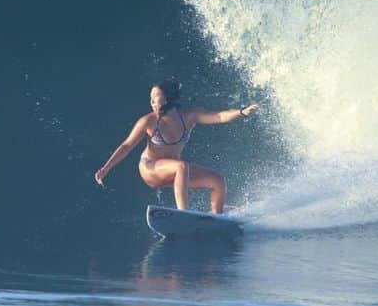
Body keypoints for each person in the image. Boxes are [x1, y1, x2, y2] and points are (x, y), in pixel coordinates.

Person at [94, 80, 258, 213]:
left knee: (217, 180)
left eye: (155, 96)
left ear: (168, 98)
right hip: (150, 169)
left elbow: (219, 116)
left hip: (176, 172)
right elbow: (127, 145)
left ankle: (216, 215)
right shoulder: (148, 122)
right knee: (181, 166)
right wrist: (107, 168)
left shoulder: (189, 116)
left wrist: (241, 112)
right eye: (150, 98)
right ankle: (184, 214)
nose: (151, 101)